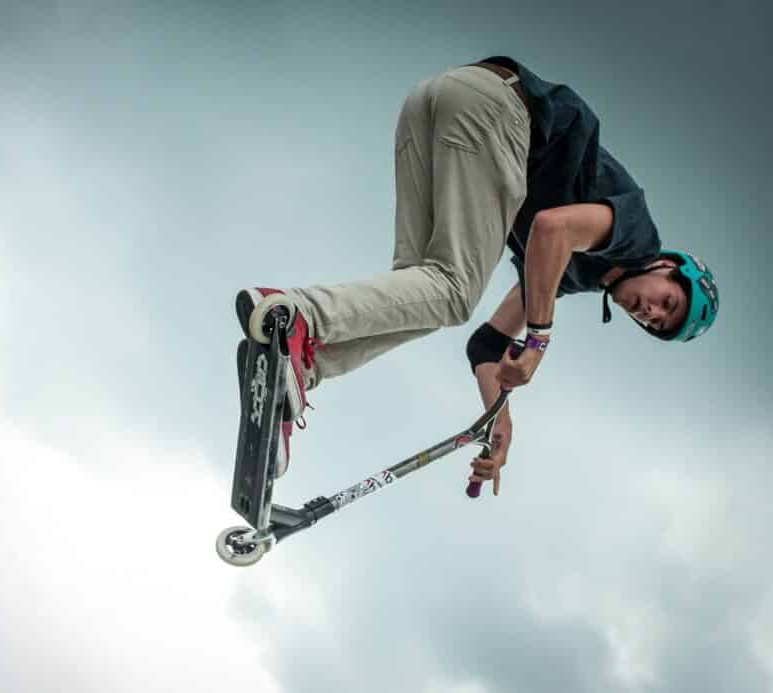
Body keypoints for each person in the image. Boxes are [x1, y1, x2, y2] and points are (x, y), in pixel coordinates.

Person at [235, 57, 719, 491]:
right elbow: (552, 230)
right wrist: (538, 342)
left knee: (422, 293)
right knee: (452, 293)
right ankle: (298, 315)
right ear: (667, 268)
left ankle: (297, 365)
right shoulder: (638, 237)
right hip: (498, 113)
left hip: (439, 103)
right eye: (666, 302)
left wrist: (497, 417)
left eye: (655, 323)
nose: (649, 312)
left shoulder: (580, 275)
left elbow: (485, 345)